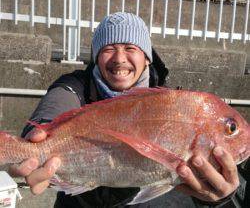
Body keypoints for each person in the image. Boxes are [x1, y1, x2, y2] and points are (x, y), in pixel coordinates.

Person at [9, 12, 245, 207]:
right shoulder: (75, 86)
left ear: (147, 58)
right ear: (96, 57)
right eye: (108, 48)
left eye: (130, 47)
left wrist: (217, 199)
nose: (120, 58)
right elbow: (57, 103)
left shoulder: (172, 102)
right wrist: (39, 134)